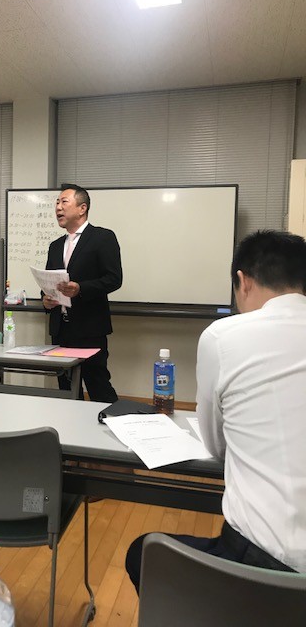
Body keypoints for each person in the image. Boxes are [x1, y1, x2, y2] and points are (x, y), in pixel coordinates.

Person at [126, 229, 306, 593]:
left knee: (142, 553)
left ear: (243, 280)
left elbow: (216, 445)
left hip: (264, 564)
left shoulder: (224, 336)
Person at [43, 184, 122, 402]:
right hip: (61, 330)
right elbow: (48, 282)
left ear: (82, 208)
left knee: (98, 386)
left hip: (90, 329)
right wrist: (46, 301)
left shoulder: (102, 237)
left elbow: (114, 279)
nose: (58, 207)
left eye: (64, 202)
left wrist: (81, 289)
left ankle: (111, 422)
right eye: (56, 203)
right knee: (66, 390)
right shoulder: (55, 246)